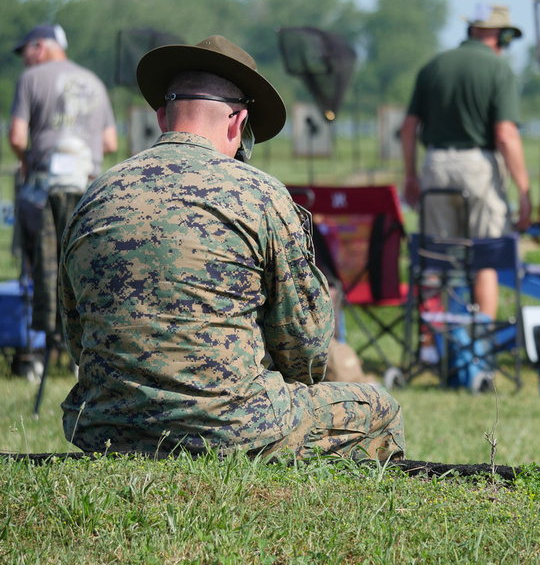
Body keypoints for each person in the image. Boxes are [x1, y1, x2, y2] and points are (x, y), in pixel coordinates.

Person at [59, 35, 405, 459]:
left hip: (104, 429)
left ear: (162, 115)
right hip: (228, 430)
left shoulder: (95, 196)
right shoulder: (259, 194)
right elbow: (308, 351)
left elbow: (78, 337)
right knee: (379, 409)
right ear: (237, 123)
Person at [401, 3, 532, 320]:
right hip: (478, 168)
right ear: (499, 36)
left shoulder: (433, 66)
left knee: (437, 258)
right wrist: (525, 192)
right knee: (483, 258)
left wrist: (411, 176)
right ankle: (479, 345)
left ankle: (436, 344)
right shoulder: (499, 70)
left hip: (435, 164)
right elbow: (505, 134)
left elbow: (408, 128)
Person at [9, 23, 118, 360]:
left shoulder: (31, 79)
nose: (25, 59)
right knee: (85, 266)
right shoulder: (96, 83)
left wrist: (26, 163)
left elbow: (16, 137)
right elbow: (110, 143)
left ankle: (41, 349)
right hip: (87, 189)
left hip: (43, 189)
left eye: (26, 50)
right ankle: (84, 350)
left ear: (41, 46)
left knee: (40, 266)